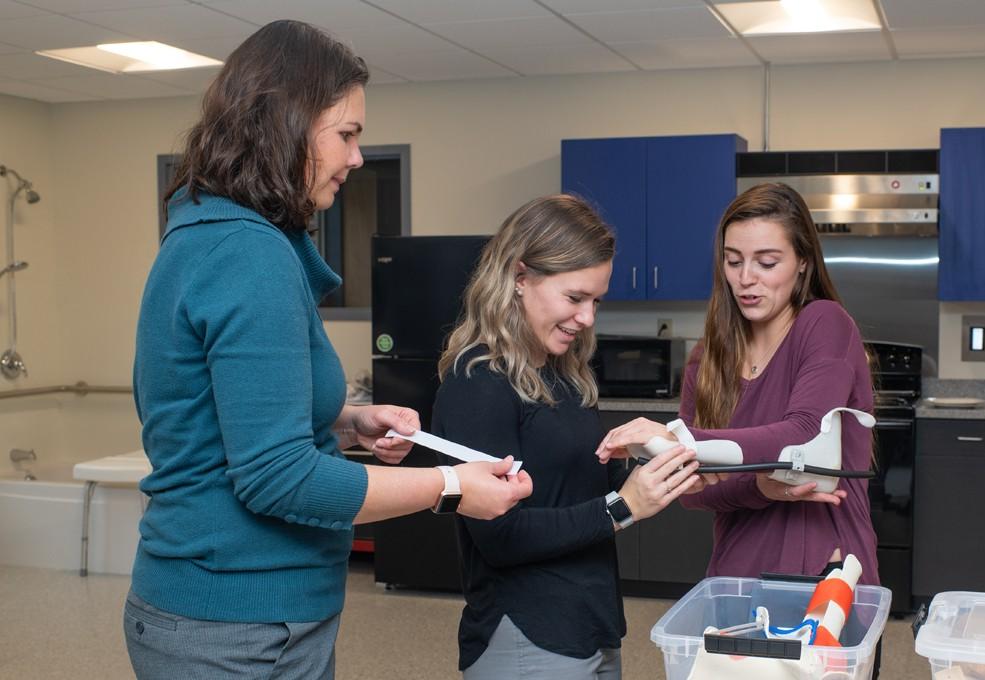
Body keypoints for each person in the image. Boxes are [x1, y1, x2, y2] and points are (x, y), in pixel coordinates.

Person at [125, 20, 531, 680]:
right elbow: (276, 475)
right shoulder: (247, 253)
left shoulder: (210, 230)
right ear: (283, 125)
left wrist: (344, 420)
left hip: (239, 613)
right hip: (234, 624)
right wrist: (451, 487)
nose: (357, 158)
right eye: (346, 134)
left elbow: (221, 405)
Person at [432, 194, 717, 680]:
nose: (587, 317)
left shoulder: (565, 375)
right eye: (574, 298)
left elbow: (573, 489)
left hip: (591, 620)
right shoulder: (477, 382)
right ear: (520, 278)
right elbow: (500, 537)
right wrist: (623, 507)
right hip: (527, 629)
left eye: (595, 300)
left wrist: (648, 464)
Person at [596, 182, 879, 585]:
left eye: (766, 262)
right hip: (735, 574)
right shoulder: (708, 357)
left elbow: (804, 433)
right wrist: (761, 487)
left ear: (803, 261)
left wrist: (685, 443)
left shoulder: (825, 323)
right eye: (733, 261)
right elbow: (693, 493)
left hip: (825, 570)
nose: (746, 279)